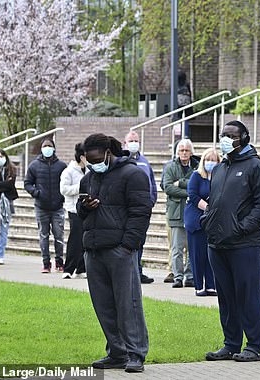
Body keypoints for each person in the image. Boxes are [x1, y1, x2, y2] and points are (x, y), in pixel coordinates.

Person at [77, 133, 152, 373]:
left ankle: (136, 353)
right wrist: (83, 206)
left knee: (128, 304)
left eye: (97, 158)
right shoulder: (88, 178)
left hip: (120, 250)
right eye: (89, 160)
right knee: (104, 306)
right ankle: (117, 353)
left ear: (109, 152)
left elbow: (141, 211)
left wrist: (128, 245)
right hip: (93, 249)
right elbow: (81, 212)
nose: (93, 163)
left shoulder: (133, 174)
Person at [201, 120, 260, 362]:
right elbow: (213, 200)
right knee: (226, 297)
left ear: (243, 138)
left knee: (248, 295)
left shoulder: (255, 166)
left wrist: (242, 228)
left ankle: (254, 345)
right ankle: (231, 343)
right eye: (222, 134)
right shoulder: (220, 168)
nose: (225, 139)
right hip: (217, 243)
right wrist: (207, 220)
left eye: (230, 135)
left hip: (244, 244)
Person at [24, 139, 67, 273]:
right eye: (45, 146)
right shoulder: (34, 166)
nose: (47, 148)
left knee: (59, 235)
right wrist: (36, 193)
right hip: (41, 206)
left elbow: (66, 182)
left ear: (54, 148)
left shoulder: (61, 166)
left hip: (58, 207)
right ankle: (46, 263)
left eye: (49, 146)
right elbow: (27, 183)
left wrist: (62, 196)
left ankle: (59, 262)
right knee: (43, 235)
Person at [184, 148, 220, 296]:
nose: (210, 162)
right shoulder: (196, 176)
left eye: (214, 160)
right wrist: (208, 208)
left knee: (210, 255)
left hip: (212, 222)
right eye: (208, 159)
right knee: (197, 255)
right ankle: (199, 286)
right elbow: (192, 195)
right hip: (196, 220)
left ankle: (211, 285)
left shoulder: (219, 177)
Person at [163, 139, 199, 288]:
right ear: (177, 152)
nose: (184, 153)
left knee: (192, 249)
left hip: (191, 213)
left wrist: (181, 182)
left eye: (187, 150)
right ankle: (178, 276)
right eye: (181, 150)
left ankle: (189, 276)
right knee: (176, 248)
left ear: (191, 152)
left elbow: (198, 186)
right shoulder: (170, 167)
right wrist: (188, 191)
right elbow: (168, 187)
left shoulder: (197, 167)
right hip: (176, 213)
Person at [124, 131, 158, 284]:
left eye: (136, 140)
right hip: (127, 210)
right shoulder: (122, 161)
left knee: (140, 241)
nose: (134, 143)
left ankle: (138, 270)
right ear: (125, 143)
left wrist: (151, 201)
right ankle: (129, 272)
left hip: (143, 210)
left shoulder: (144, 161)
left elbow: (152, 183)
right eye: (131, 140)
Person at [59, 143, 88, 279]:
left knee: (85, 239)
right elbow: (64, 189)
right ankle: (68, 268)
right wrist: (80, 188)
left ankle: (81, 268)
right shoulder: (69, 171)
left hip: (86, 208)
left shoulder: (88, 171)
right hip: (73, 209)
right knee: (75, 238)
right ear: (82, 157)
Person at [178, 71, 193, 138]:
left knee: (178, 119)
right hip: (186, 104)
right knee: (185, 120)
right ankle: (185, 134)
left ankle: (179, 134)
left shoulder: (176, 84)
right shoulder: (187, 85)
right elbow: (190, 94)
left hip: (178, 104)